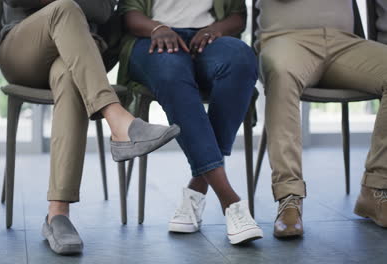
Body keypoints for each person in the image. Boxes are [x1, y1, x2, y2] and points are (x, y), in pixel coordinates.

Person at [0, 0, 180, 255]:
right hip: (23, 50)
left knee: (70, 74)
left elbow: (103, 10)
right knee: (66, 8)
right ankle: (117, 119)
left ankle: (57, 216)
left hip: (79, 50)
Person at [119, 0, 263, 245]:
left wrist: (216, 29)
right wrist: (158, 28)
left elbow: (238, 16)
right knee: (171, 71)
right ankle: (230, 200)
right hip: (151, 39)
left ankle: (197, 188)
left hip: (207, 39)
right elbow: (129, 15)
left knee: (241, 58)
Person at [256, 0, 387, 238]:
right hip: (286, 40)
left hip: (345, 43)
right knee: (281, 72)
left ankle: (376, 188)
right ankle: (289, 199)